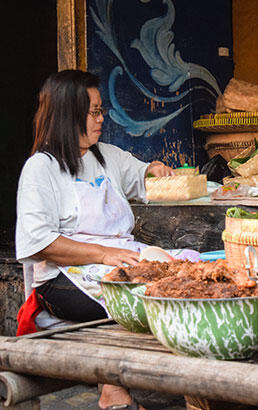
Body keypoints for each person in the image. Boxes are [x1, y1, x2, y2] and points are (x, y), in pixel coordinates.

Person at [15, 70, 175, 410]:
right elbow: (40, 242)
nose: (101, 118)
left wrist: (156, 170)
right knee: (140, 297)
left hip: (116, 257)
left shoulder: (107, 156)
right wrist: (103, 254)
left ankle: (138, 389)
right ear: (67, 114)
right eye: (94, 111)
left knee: (174, 276)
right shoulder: (41, 168)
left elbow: (143, 175)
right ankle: (115, 388)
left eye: (100, 110)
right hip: (61, 280)